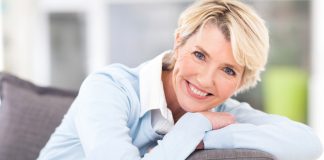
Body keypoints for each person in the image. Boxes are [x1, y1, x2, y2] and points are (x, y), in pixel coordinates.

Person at [38, 0, 323, 159]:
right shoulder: (110, 87)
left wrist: (209, 137)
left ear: (242, 80)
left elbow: (307, 143)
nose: (206, 80)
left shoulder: (221, 114)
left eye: (228, 70)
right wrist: (192, 128)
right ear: (178, 42)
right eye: (200, 55)